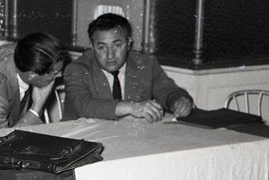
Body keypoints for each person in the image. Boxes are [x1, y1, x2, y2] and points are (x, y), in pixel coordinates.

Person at [63, 13, 193, 122]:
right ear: (92, 47)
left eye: (117, 45)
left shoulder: (146, 64)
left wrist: (177, 101)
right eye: (101, 47)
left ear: (129, 43)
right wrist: (132, 107)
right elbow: (84, 105)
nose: (110, 55)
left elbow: (167, 90)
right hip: (79, 138)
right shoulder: (76, 69)